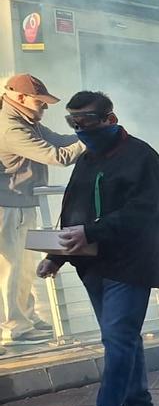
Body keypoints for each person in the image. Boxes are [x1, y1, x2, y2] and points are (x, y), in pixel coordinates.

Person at [35, 92, 159, 406]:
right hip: (92, 264)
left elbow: (142, 212)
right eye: (73, 122)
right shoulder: (87, 158)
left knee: (117, 337)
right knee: (122, 336)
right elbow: (72, 209)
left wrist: (91, 232)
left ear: (110, 119)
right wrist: (56, 255)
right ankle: (137, 404)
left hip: (131, 262)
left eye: (87, 121)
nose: (80, 129)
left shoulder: (142, 157)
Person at [1, 74, 85, 346]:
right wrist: (93, 139)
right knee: (11, 269)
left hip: (22, 204)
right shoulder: (10, 127)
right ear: (21, 97)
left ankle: (26, 317)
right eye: (40, 101)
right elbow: (57, 156)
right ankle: (15, 328)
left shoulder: (28, 122)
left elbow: (60, 140)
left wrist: (87, 134)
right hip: (7, 207)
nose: (45, 106)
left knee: (24, 266)